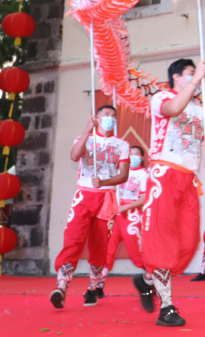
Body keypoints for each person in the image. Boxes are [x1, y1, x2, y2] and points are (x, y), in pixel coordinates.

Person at [133, 59, 205, 327]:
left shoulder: (200, 110)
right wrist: (196, 81)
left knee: (187, 242)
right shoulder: (161, 96)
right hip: (164, 175)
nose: (195, 78)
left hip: (188, 180)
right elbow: (172, 109)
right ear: (176, 77)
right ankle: (167, 308)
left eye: (196, 74)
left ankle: (147, 280)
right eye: (189, 74)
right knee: (162, 242)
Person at [50, 105, 130, 309]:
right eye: (106, 115)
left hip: (106, 198)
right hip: (84, 197)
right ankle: (61, 286)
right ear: (97, 117)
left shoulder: (121, 144)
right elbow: (74, 156)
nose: (110, 119)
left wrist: (104, 182)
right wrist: (87, 130)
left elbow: (124, 175)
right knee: (73, 240)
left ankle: (93, 288)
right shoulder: (85, 138)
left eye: (113, 116)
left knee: (99, 244)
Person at [98, 146, 150, 295]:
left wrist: (125, 207)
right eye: (130, 154)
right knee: (108, 250)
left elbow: (144, 198)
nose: (133, 157)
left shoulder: (144, 174)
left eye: (136, 154)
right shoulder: (119, 174)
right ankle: (99, 285)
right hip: (116, 216)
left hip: (132, 217)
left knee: (136, 253)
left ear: (141, 158)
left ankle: (152, 279)